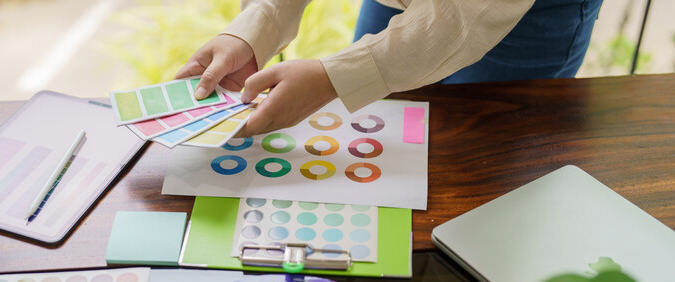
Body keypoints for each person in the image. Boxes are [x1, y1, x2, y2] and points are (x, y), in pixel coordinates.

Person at [175, 0, 603, 137]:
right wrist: (258, 26)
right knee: (377, 133)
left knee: (486, 190)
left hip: (526, 18)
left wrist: (335, 76)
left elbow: (465, 12)